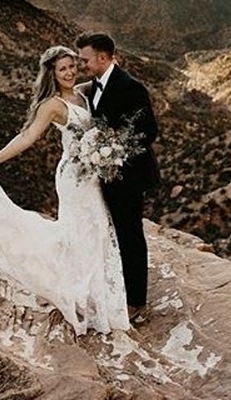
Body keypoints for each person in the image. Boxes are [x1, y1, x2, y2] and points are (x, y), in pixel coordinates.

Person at [0, 45, 130, 335]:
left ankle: (96, 293)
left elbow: (108, 81)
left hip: (92, 173)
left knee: (97, 230)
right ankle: (80, 293)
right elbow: (28, 136)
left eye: (71, 66)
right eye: (62, 69)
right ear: (52, 74)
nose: (68, 73)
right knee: (81, 230)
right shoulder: (52, 105)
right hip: (74, 178)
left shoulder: (82, 92)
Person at [75, 31, 160, 324]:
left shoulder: (130, 87)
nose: (81, 65)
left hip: (129, 176)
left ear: (103, 57)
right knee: (112, 234)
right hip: (106, 175)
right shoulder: (93, 85)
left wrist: (113, 148)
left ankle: (137, 301)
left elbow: (149, 131)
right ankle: (117, 288)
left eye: (85, 60)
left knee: (130, 236)